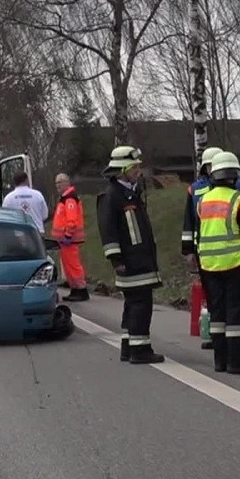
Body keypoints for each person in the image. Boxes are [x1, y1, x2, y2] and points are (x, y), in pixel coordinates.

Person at [97, 145, 165, 364]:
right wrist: (115, 259)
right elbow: (108, 230)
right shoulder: (114, 195)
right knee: (140, 305)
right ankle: (139, 351)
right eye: (135, 167)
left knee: (133, 304)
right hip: (130, 261)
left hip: (139, 259)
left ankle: (129, 347)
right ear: (124, 169)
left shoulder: (130, 193)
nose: (139, 170)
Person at [195, 151, 240, 374]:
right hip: (236, 263)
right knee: (236, 315)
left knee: (217, 314)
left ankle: (220, 361)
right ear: (234, 176)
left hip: (209, 265)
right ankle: (237, 362)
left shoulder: (203, 201)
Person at [51, 173, 89, 302]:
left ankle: (81, 290)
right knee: (69, 266)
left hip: (70, 240)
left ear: (67, 183)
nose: (58, 185)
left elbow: (71, 220)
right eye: (56, 183)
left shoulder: (70, 199)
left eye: (60, 182)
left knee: (73, 266)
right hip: (65, 240)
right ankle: (75, 289)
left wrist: (68, 235)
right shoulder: (65, 198)